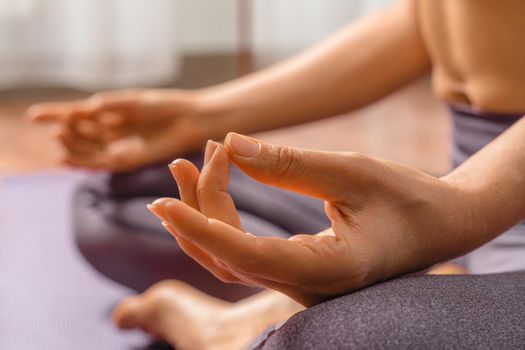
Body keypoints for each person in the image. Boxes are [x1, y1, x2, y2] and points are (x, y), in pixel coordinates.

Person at [27, 0, 525, 348]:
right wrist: (198, 115)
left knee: (356, 336)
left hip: (490, 211)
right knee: (127, 199)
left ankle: (258, 323)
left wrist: (459, 208)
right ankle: (421, 279)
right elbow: (428, 15)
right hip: (483, 184)